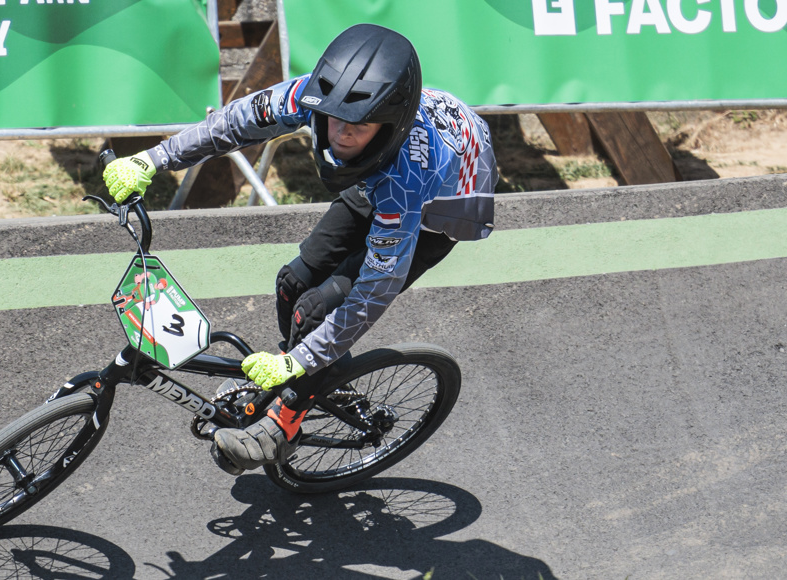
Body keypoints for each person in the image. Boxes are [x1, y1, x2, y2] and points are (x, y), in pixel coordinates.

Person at [102, 24, 496, 474]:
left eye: (359, 127)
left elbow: (373, 291)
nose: (341, 135)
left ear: (387, 126)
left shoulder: (407, 181)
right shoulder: (314, 98)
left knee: (315, 312)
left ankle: (288, 417)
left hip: (439, 210)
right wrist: (154, 159)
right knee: (293, 283)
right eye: (335, 121)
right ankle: (321, 379)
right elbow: (233, 124)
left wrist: (299, 360)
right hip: (380, 179)